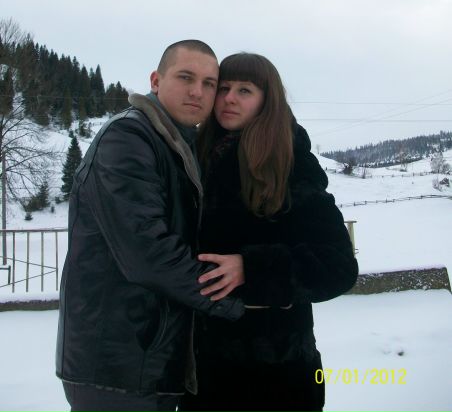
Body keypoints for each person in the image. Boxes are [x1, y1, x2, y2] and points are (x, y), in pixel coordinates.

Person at [56, 40, 244, 412]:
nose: (198, 91)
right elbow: (148, 253)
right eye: (186, 77)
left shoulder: (178, 143)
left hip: (151, 360)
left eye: (209, 83)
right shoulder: (128, 138)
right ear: (156, 80)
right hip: (115, 367)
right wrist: (238, 302)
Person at [180, 52, 359, 412]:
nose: (229, 98)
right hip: (202, 371)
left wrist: (252, 268)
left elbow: (339, 266)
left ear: (267, 100)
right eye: (224, 88)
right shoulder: (196, 155)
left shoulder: (290, 162)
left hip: (276, 375)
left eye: (245, 90)